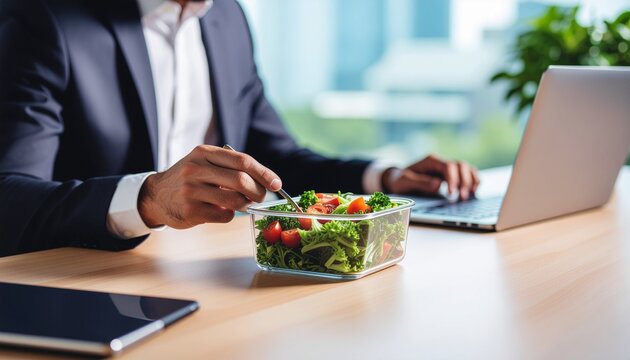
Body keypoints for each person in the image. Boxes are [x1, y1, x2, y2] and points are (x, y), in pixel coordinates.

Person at [0, 0, 479, 256]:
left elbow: (278, 160)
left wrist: (384, 178)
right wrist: (148, 198)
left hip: (208, 276)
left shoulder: (226, 17)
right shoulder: (44, 18)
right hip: (91, 288)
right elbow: (10, 197)